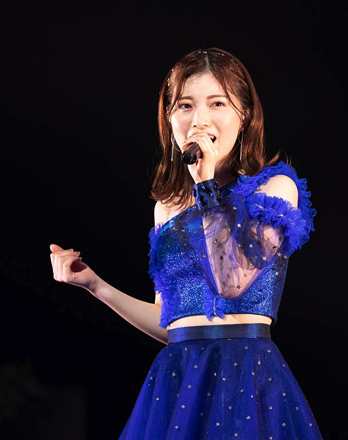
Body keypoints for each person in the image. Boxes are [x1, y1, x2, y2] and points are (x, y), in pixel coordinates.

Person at [49, 47, 322, 439]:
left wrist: (205, 187)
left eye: (217, 103)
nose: (199, 119)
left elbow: (231, 282)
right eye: (185, 106)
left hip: (246, 377)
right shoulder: (167, 208)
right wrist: (95, 285)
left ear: (245, 116)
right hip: (178, 381)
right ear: (169, 119)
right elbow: (170, 322)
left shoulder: (274, 189)